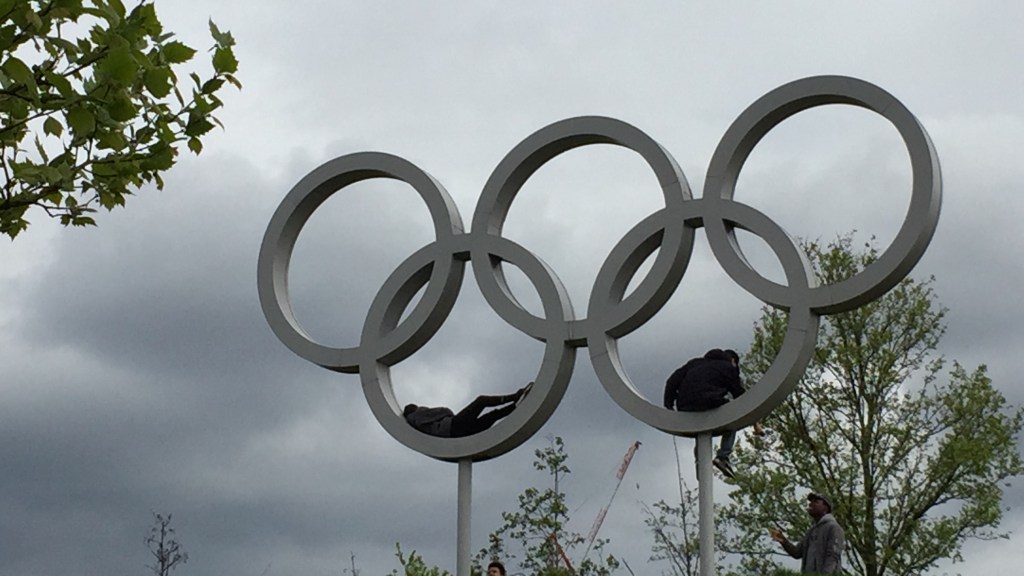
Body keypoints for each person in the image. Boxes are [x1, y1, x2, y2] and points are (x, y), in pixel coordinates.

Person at [663, 348, 746, 478]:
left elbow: (672, 381)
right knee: (732, 415)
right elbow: (739, 395)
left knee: (700, 428)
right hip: (709, 401)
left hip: (685, 406)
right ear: (733, 360)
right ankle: (723, 456)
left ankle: (700, 463)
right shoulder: (727, 367)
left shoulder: (694, 363)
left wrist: (669, 405)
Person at [403, 382, 533, 438]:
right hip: (453, 426)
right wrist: (448, 415)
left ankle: (515, 406)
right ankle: (514, 397)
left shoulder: (414, 425)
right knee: (481, 401)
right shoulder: (417, 414)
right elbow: (444, 411)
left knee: (491, 416)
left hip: (459, 435)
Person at [769, 492, 845, 574]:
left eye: (816, 501)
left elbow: (832, 557)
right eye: (811, 502)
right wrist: (782, 540)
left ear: (826, 507)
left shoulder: (833, 527)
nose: (811, 504)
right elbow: (797, 553)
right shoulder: (811, 531)